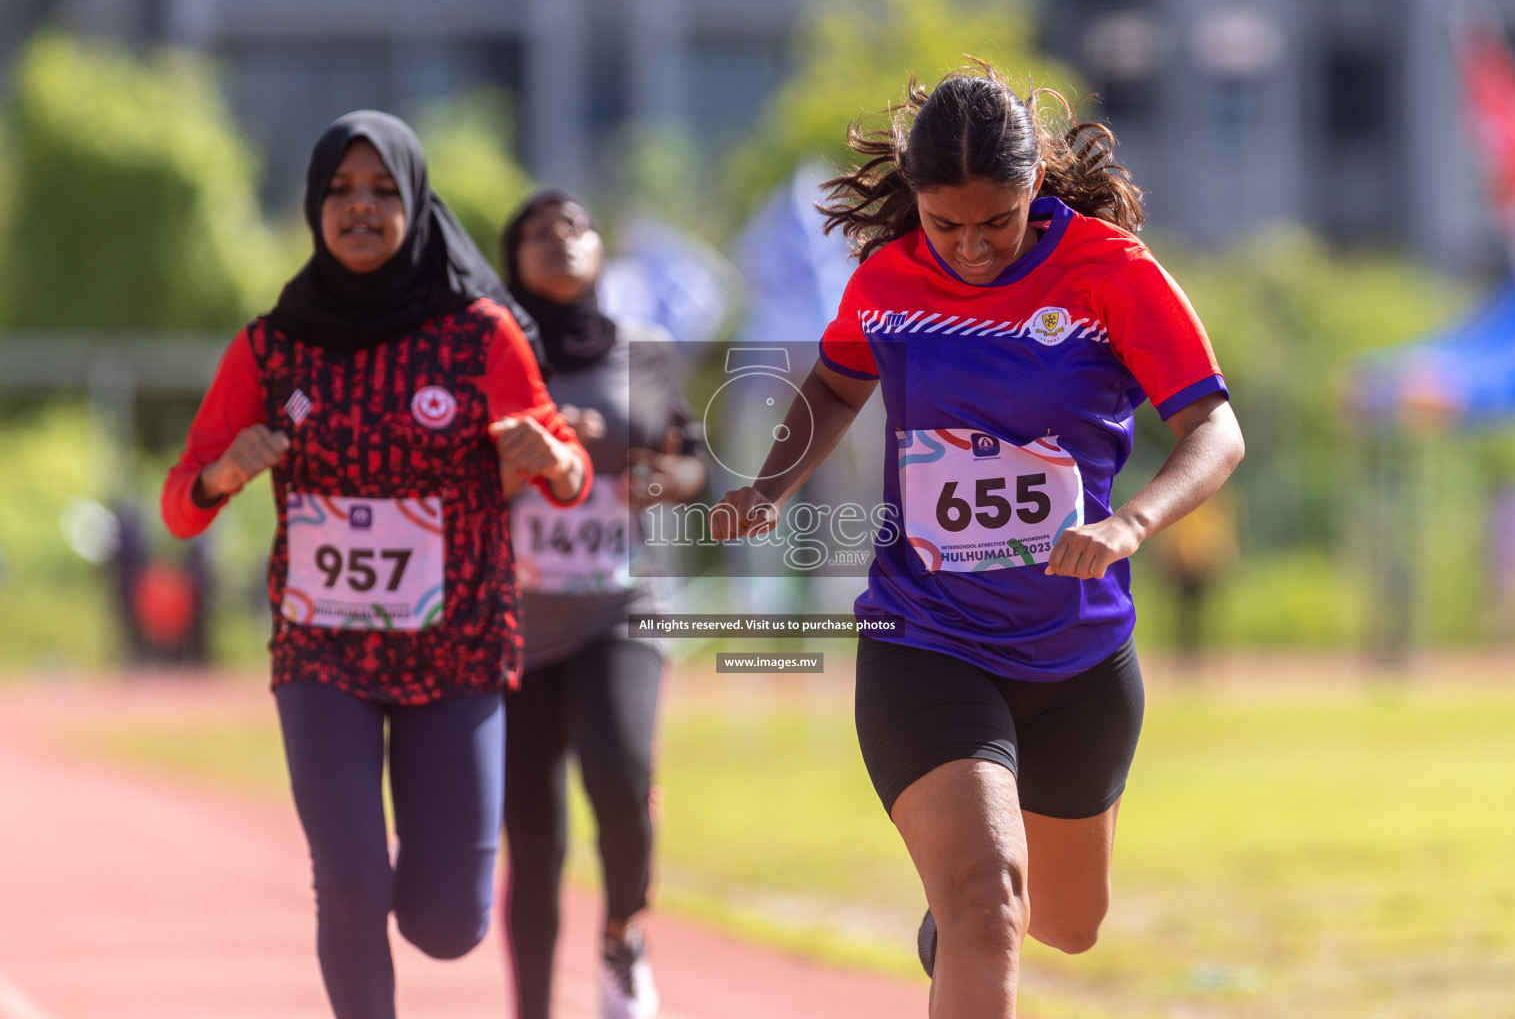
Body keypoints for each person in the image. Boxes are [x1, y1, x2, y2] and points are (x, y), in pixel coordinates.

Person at [711, 64, 1244, 1019]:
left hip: (1077, 653)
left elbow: (1215, 427)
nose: (969, 248)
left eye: (994, 222)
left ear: (1035, 184)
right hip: (927, 638)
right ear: (915, 202)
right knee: (991, 899)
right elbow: (838, 384)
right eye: (944, 225)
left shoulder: (1110, 273)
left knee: (1067, 922)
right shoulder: (888, 281)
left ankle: (951, 923)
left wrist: (1132, 522)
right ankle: (964, 911)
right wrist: (769, 484)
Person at [160, 111, 591, 1019]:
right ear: (315, 207)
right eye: (341, 193)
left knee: (445, 925)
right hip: (323, 651)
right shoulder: (270, 346)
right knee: (349, 884)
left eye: (383, 192)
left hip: (457, 648)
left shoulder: (479, 335)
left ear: (416, 203)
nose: (361, 209)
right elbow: (180, 502)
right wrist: (225, 471)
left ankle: (436, 894)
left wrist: (550, 458)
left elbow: (565, 461)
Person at [498, 190, 706, 1019]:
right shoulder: (493, 355)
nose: (560, 241)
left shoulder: (643, 351)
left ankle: (623, 934)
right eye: (538, 233)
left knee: (622, 777)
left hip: (619, 608)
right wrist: (533, 457)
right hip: (513, 626)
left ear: (598, 249)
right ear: (512, 258)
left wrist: (663, 479)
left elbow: (693, 462)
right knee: (534, 840)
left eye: (575, 227)